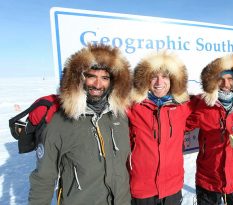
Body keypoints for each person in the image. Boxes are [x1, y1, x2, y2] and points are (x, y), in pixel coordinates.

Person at [28, 44, 132, 205]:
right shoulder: (59, 121)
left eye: (105, 78)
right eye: (91, 76)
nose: (98, 84)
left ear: (114, 82)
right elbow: (43, 178)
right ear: (79, 78)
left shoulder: (120, 116)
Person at [186, 54, 233, 205]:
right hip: (208, 181)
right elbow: (180, 122)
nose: (226, 83)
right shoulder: (202, 104)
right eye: (221, 79)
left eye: (230, 79)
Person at [126, 52, 194, 205]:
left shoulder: (183, 107)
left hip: (172, 187)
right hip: (142, 188)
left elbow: (207, 112)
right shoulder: (132, 106)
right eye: (153, 76)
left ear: (173, 80)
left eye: (165, 76)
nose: (159, 82)